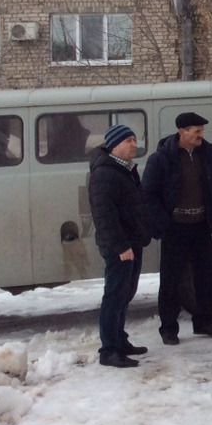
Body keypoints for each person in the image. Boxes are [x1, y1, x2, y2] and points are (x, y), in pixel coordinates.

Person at [143, 111, 212, 345]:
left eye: (202, 131)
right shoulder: (161, 158)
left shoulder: (206, 154)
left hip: (200, 225)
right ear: (182, 132)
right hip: (174, 227)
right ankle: (169, 328)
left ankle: (204, 322)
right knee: (171, 280)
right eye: (196, 131)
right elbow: (148, 194)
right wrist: (163, 223)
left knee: (206, 276)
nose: (201, 135)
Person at [88, 124, 150, 369]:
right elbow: (104, 215)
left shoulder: (124, 169)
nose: (134, 144)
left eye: (135, 140)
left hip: (131, 243)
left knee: (125, 294)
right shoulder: (104, 173)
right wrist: (121, 246)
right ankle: (109, 350)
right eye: (128, 141)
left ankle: (120, 340)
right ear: (115, 145)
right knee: (114, 296)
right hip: (120, 247)